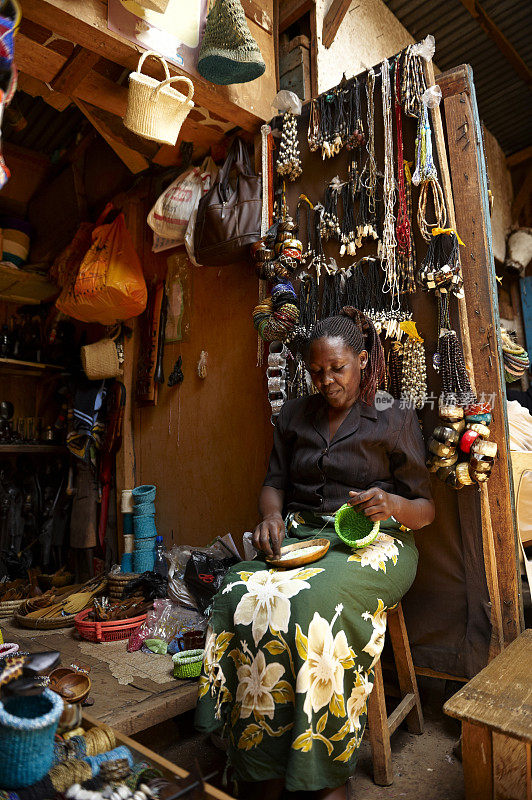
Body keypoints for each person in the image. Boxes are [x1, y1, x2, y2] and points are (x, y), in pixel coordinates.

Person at [196, 308, 435, 799]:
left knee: (313, 605)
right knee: (236, 591)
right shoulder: (295, 415)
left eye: (338, 368)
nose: (327, 380)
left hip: (378, 542)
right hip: (305, 536)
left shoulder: (393, 413)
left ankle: (319, 765)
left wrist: (390, 505)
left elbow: (426, 510)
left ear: (363, 361)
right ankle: (258, 756)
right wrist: (270, 517)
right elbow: (274, 483)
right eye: (317, 371)